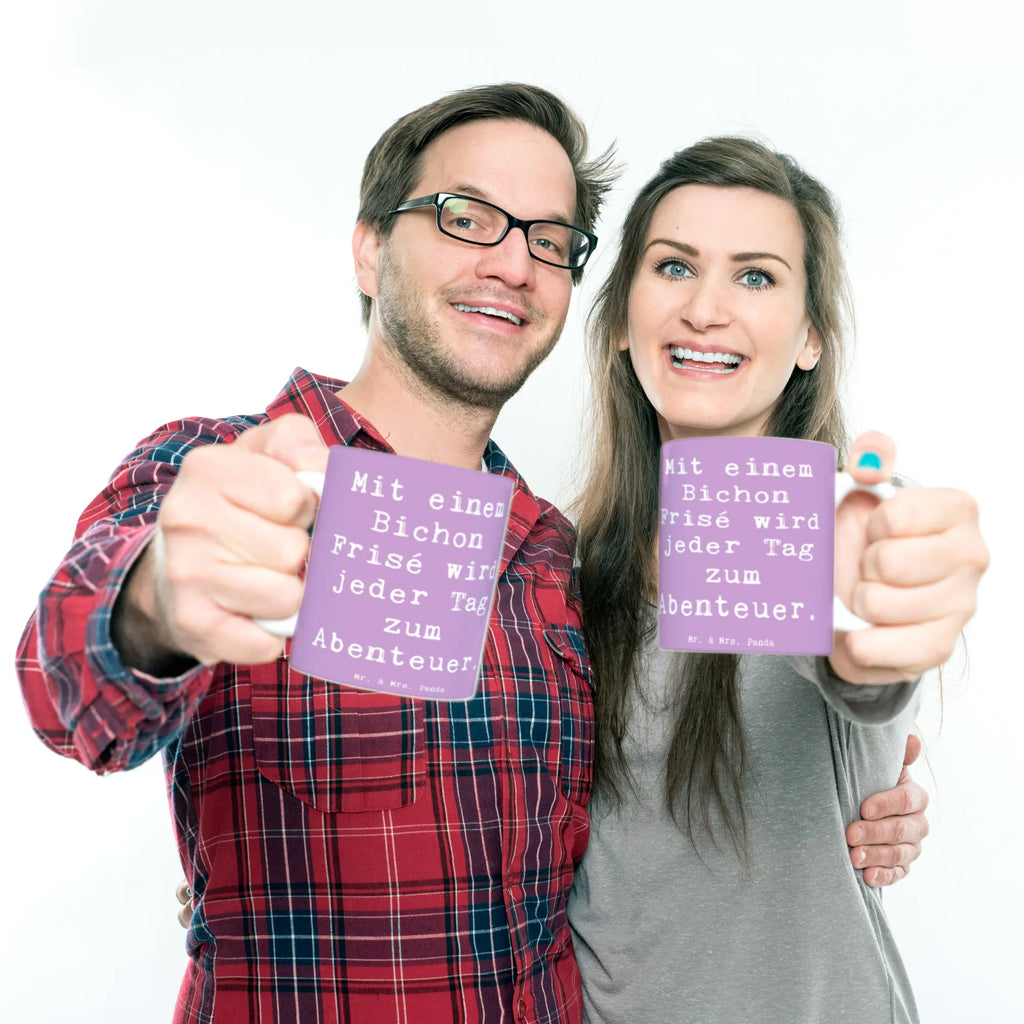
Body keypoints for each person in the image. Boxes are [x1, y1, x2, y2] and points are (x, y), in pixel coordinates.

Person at [18, 83, 943, 1024]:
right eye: (467, 218)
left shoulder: (552, 558)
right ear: (371, 248)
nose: (511, 262)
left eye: (547, 239)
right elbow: (67, 690)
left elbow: (854, 655)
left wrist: (877, 745)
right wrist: (158, 604)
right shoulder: (221, 473)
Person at [568, 137, 989, 1023]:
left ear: (809, 341)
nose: (707, 309)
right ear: (618, 321)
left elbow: (860, 657)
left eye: (755, 277)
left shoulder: (841, 526)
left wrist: (882, 623)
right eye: (674, 266)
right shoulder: (565, 571)